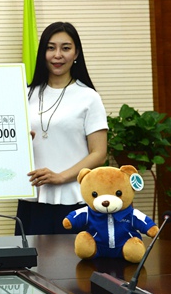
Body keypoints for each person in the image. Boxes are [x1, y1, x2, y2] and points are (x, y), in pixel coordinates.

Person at [17, 21, 108, 235]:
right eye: (51, 48)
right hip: (32, 198)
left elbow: (99, 153)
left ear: (76, 53)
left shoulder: (89, 97)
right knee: (30, 256)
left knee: (72, 257)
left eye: (65, 48)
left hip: (74, 198)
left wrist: (60, 177)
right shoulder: (25, 94)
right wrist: (19, 141)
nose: (57, 55)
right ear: (42, 53)